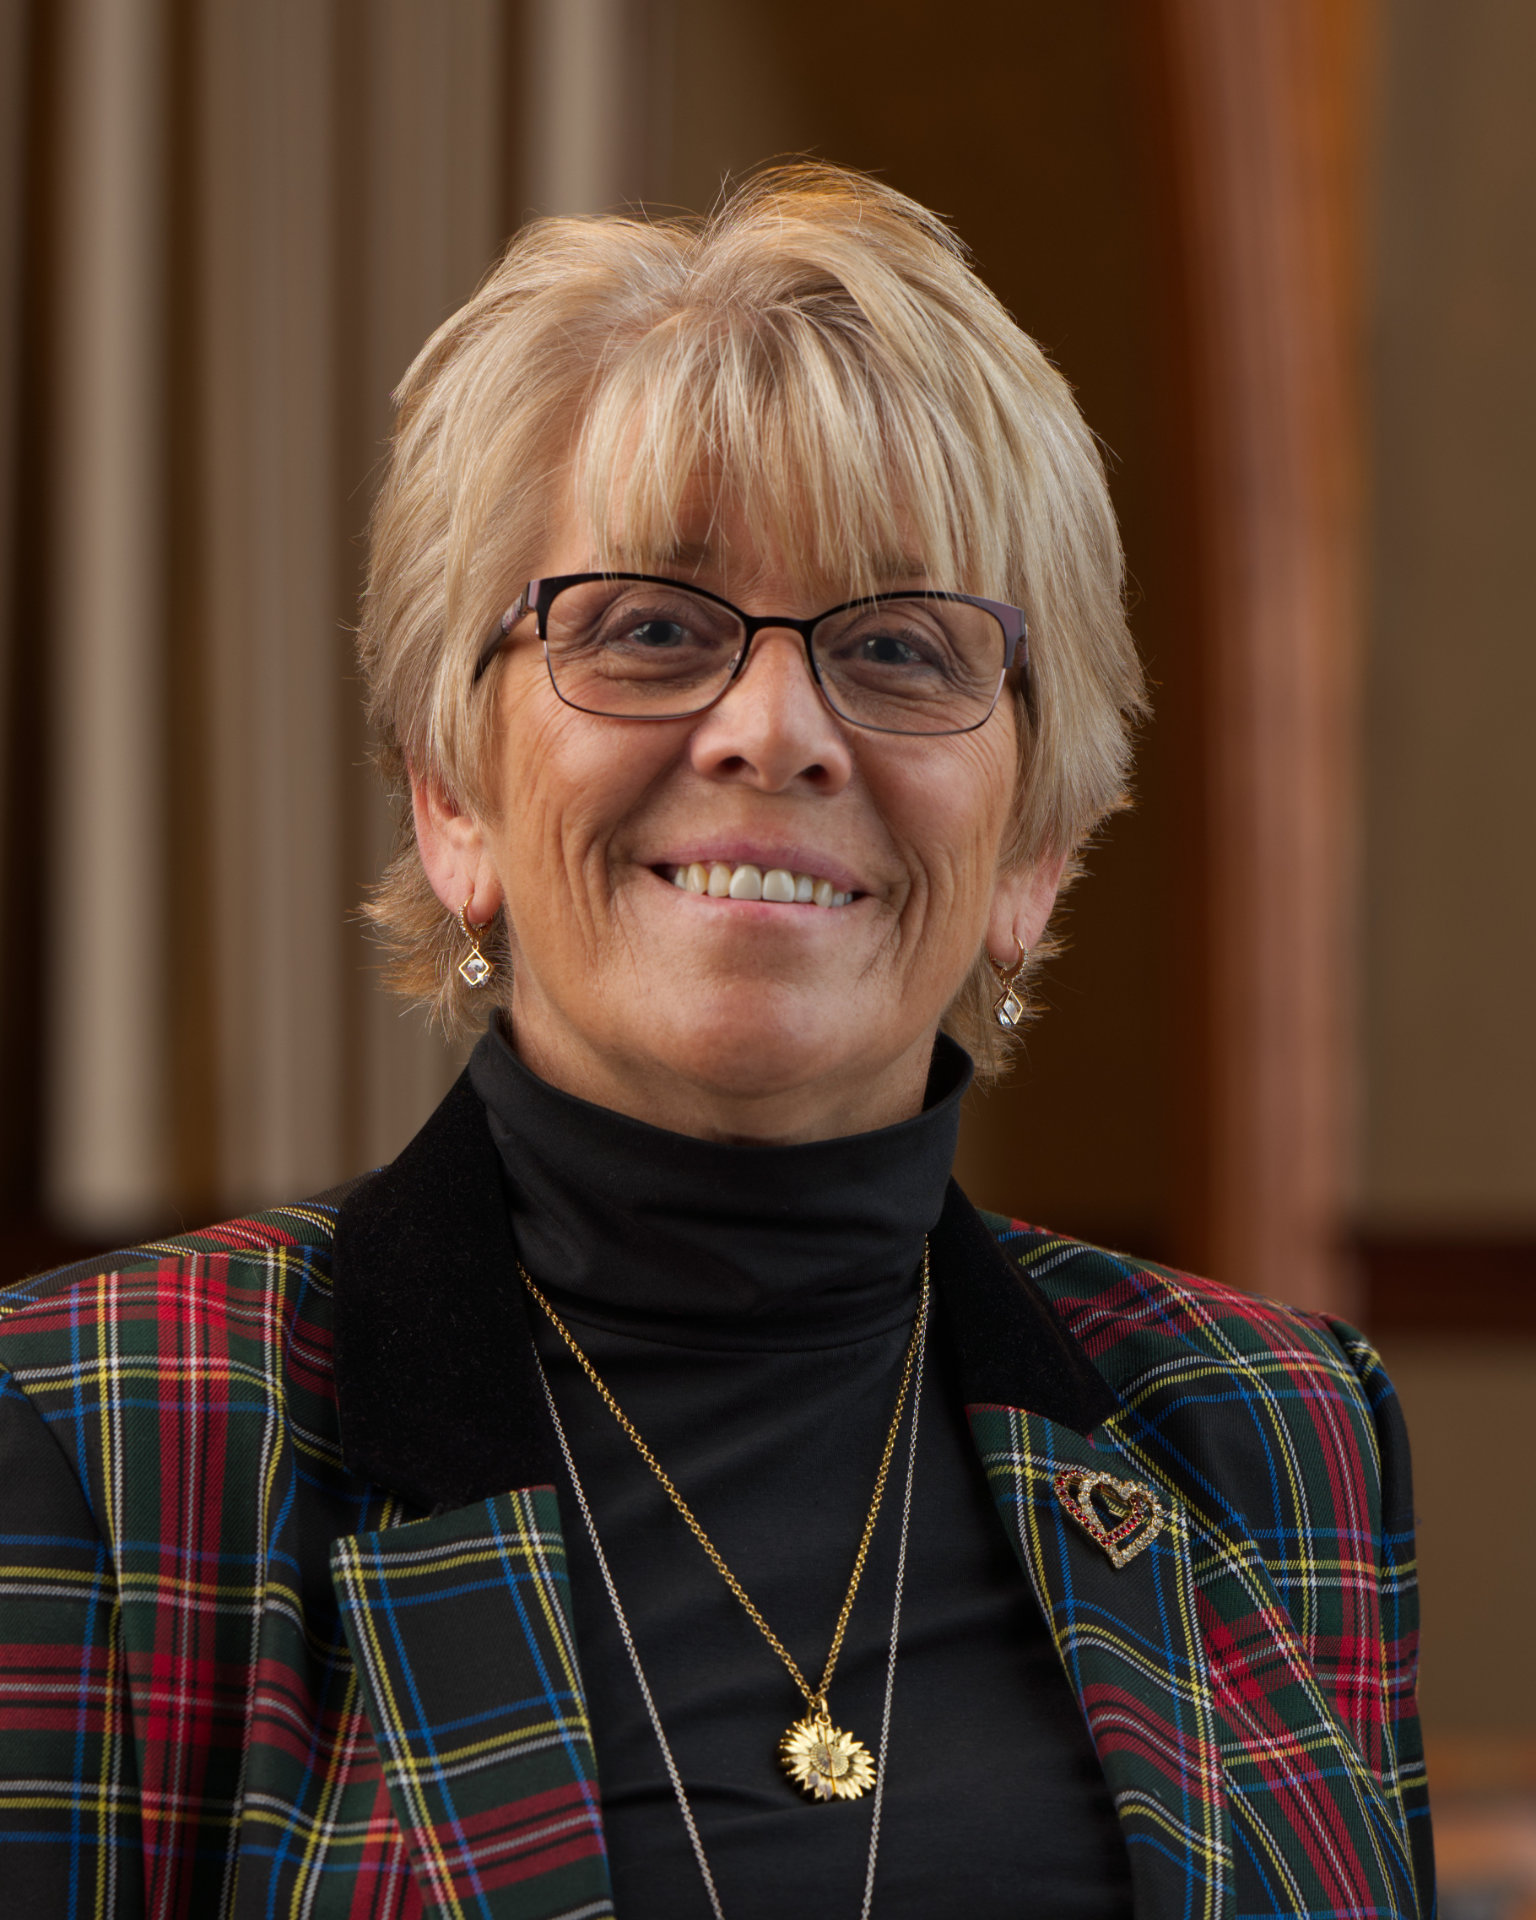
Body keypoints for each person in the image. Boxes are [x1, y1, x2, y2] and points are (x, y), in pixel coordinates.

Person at [0, 164, 1430, 1920]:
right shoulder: (99, 1434)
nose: (775, 730)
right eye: (652, 629)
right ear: (454, 797)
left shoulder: (1272, 1431)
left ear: (1036, 848)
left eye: (897, 646)